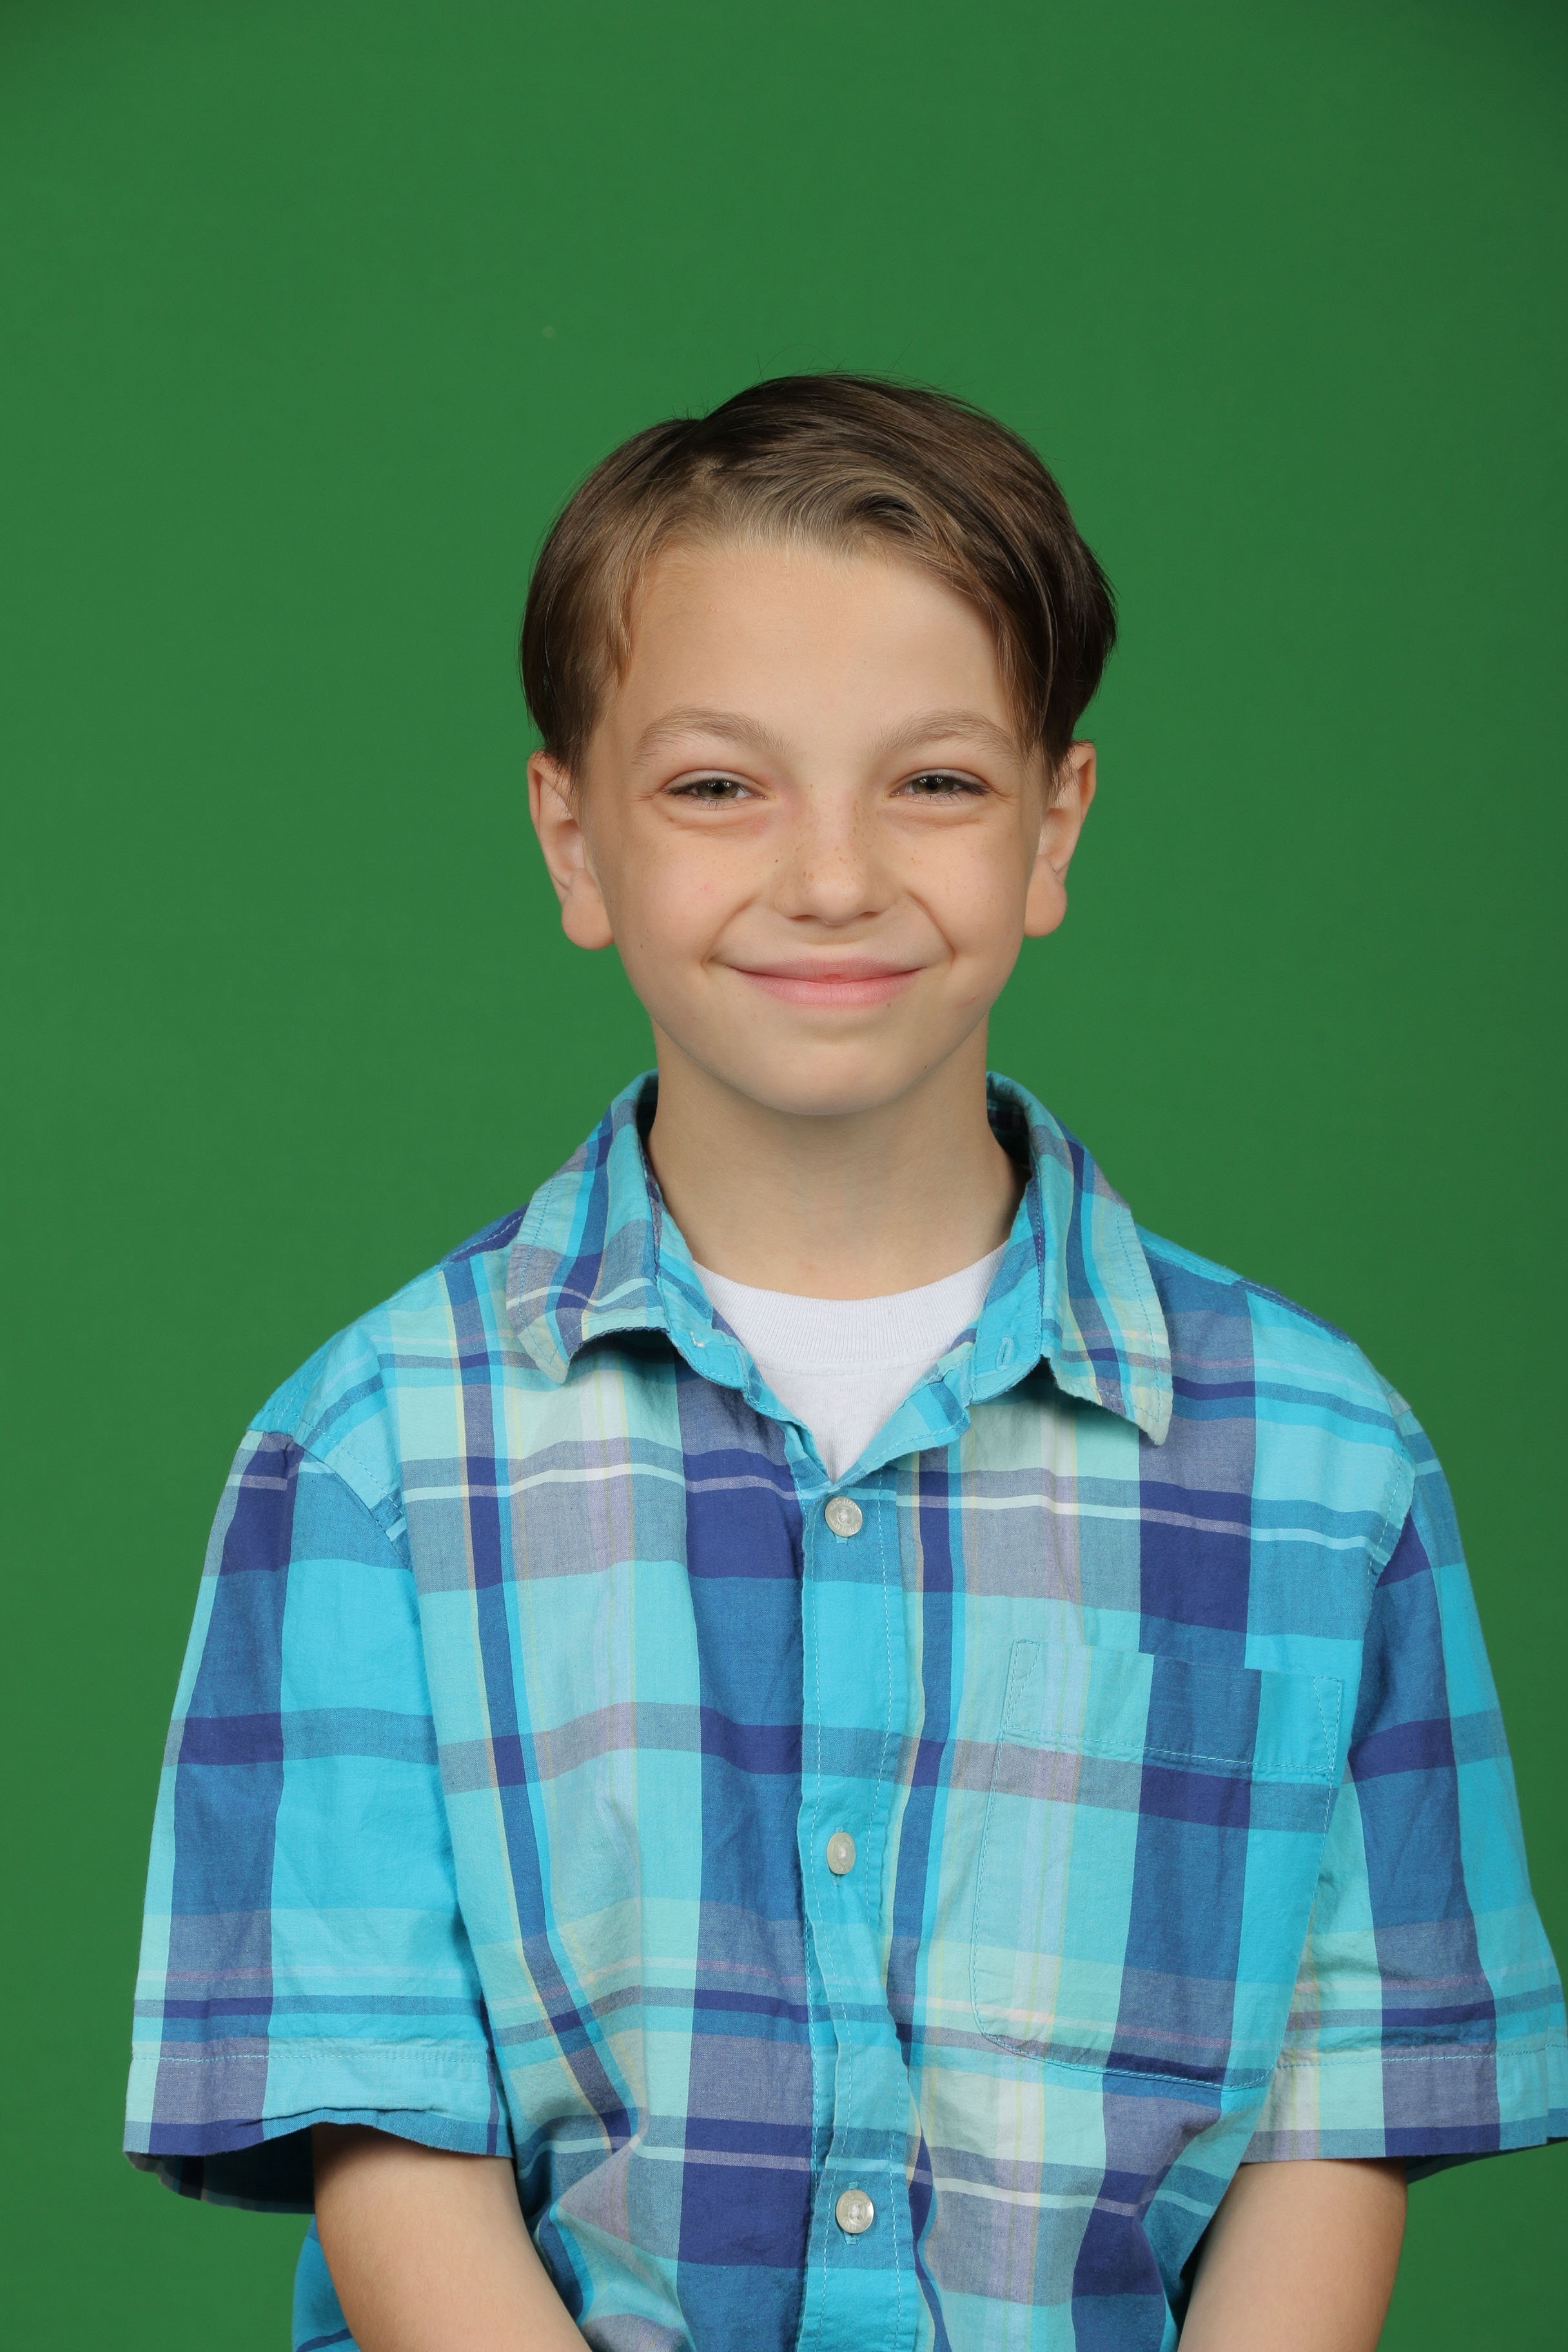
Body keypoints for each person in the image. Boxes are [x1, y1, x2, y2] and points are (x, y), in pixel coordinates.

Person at [125, 377, 1565, 2352]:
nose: (831, 875)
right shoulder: (374, 1455)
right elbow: (390, 2150)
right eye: (719, 787)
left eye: (937, 784)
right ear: (573, 840)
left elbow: (1344, 2123)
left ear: (1055, 826)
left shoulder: (1327, 1470)